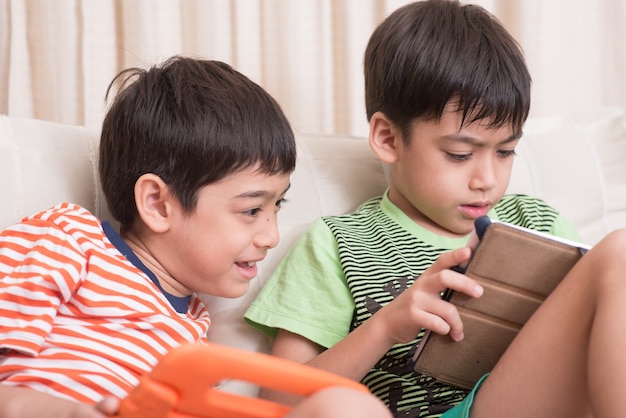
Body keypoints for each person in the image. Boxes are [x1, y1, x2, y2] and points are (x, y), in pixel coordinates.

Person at [244, 1, 626, 417]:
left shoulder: (537, 222)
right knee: (339, 406)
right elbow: (280, 403)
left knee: (619, 254)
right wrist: (387, 326)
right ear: (388, 138)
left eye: (506, 152)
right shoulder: (339, 244)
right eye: (460, 154)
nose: (487, 179)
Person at [0, 56, 392, 418]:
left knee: (348, 406)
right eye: (251, 210)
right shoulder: (70, 239)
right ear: (157, 203)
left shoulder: (193, 324)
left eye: (277, 208)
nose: (271, 236)